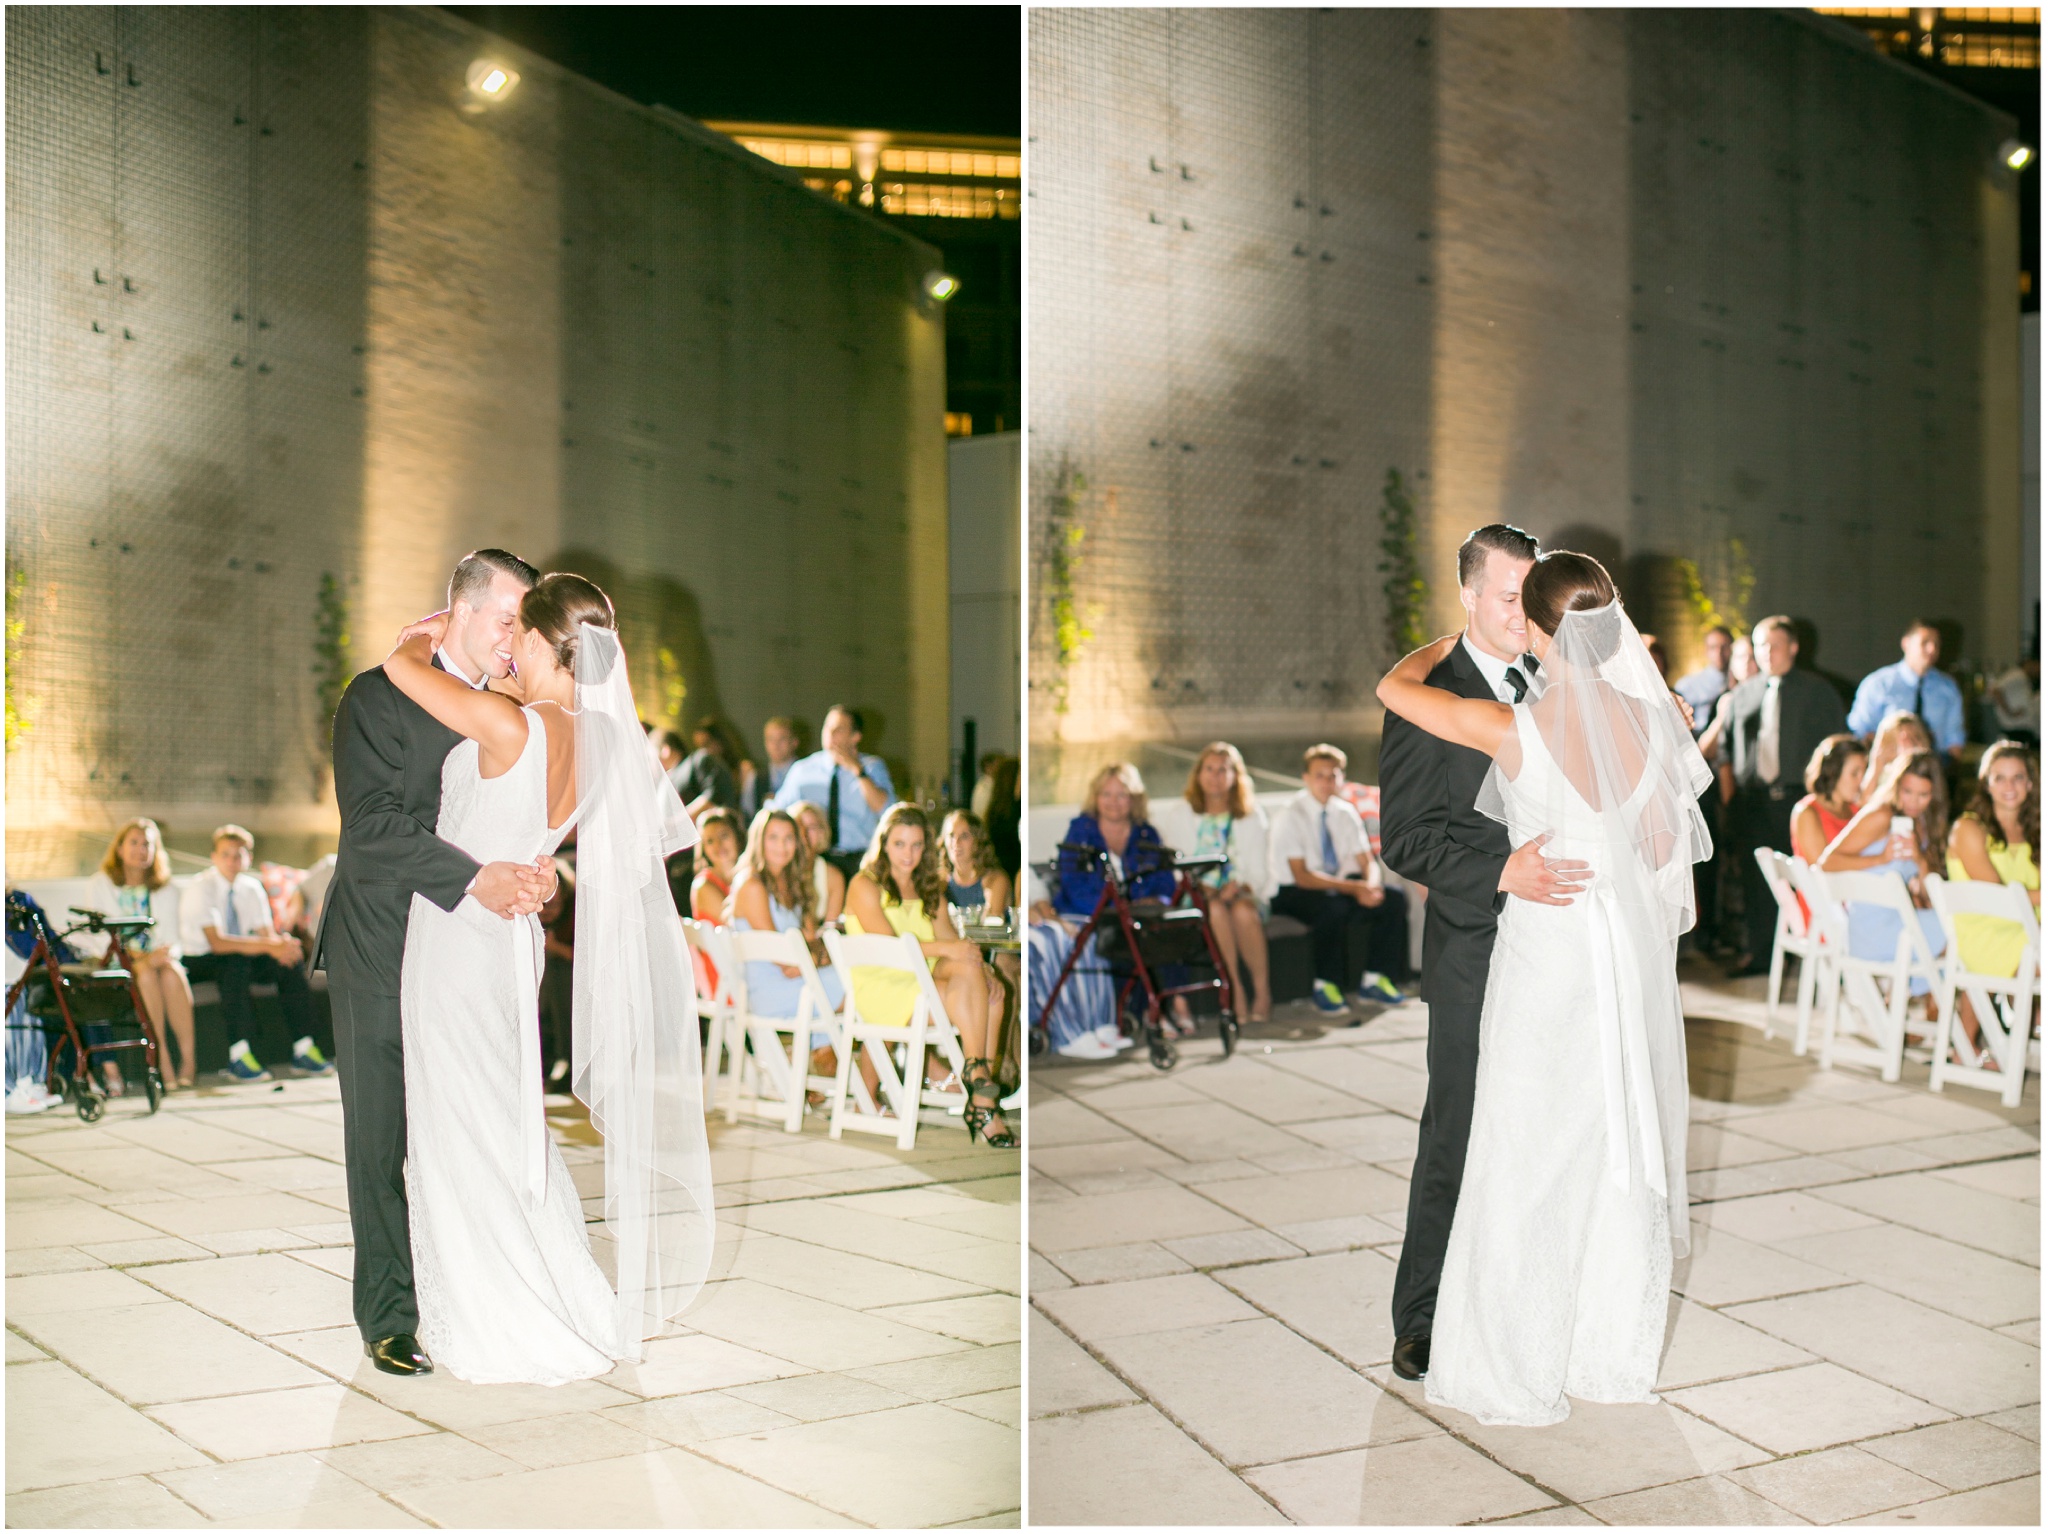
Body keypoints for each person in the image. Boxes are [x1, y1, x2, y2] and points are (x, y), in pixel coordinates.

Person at [1376, 548, 1712, 1426]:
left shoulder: (1512, 727)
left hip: (1543, 962)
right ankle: (1601, 1351)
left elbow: (1396, 692)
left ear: (1540, 625)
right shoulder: (1650, 722)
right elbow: (1666, 853)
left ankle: (1510, 1364)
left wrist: (1437, 641)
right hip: (1616, 971)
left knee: (1519, 1154)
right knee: (1610, 1150)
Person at [377, 569, 712, 1385]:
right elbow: (543, 840)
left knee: (458, 1121)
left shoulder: (508, 724)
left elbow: (397, 669)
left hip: (457, 942)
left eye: (515, 635)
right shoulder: (597, 742)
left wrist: (429, 631)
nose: (508, 650)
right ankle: (541, 1282)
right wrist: (546, 876)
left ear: (538, 638)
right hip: (511, 939)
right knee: (504, 1118)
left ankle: (491, 1301)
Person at [315, 548, 556, 1377]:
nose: (515, 638)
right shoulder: (374, 696)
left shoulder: (503, 703)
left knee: (462, 1132)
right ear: (458, 609)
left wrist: (533, 870)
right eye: (506, 618)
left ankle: (466, 1292)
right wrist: (474, 879)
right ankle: (388, 1314)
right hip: (381, 947)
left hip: (467, 960)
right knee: (381, 1140)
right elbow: (373, 827)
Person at [1378, 522, 1591, 1389]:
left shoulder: (1562, 679)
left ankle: (1528, 1303)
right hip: (1476, 952)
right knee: (1458, 1132)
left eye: (1528, 596)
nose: (1520, 612)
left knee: (1544, 1139)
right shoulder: (1436, 691)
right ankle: (1423, 1315)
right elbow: (1406, 839)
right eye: (1507, 596)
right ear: (1468, 594)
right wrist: (1500, 869)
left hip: (1563, 957)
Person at [845, 803, 1014, 1146]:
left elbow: (952, 942)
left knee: (991, 992)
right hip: (883, 980)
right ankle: (984, 1098)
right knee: (976, 984)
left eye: (917, 844)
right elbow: (891, 948)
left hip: (922, 976)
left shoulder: (929, 886)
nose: (908, 854)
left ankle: (980, 1088)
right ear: (883, 843)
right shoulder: (865, 884)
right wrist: (952, 952)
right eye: (899, 844)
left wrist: (983, 970)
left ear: (926, 847)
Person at [1710, 615, 1848, 975]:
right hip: (1753, 801)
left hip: (1797, 800)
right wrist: (1731, 800)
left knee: (1806, 876)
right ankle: (1760, 953)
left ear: (1794, 648)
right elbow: (1727, 750)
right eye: (1761, 646)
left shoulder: (1818, 692)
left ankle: (1810, 954)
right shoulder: (1743, 694)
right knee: (1758, 880)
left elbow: (1837, 747)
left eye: (1776, 645)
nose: (1768, 653)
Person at [183, 825, 328, 1084]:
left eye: (238, 855)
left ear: (248, 858)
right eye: (225, 854)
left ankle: (304, 1048)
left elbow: (265, 935)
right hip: (199, 959)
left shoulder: (251, 887)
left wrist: (283, 946)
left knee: (288, 961)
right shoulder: (200, 888)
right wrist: (270, 946)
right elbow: (217, 943)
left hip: (237, 957)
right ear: (214, 857)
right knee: (233, 962)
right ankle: (240, 1055)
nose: (232, 861)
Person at [1270, 744, 1406, 1019]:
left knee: (1393, 899)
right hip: (1293, 892)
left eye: (1333, 776)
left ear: (1341, 779)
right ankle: (1325, 985)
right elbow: (1302, 876)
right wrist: (1356, 888)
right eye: (1319, 775)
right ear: (1306, 778)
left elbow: (1368, 860)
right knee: (1332, 908)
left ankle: (1375, 979)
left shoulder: (1345, 812)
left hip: (1337, 888)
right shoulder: (1290, 814)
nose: (1326, 782)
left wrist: (1371, 886)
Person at [1149, 743, 1278, 1026]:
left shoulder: (1252, 815)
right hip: (1198, 895)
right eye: (1209, 769)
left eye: (1223, 770)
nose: (1215, 776)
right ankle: (1235, 989)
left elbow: (1259, 870)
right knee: (1216, 909)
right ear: (1198, 774)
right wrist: (1206, 889)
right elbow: (1177, 867)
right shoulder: (1181, 813)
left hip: (1242, 893)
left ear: (1236, 776)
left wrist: (1239, 886)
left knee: (1243, 911)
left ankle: (1262, 989)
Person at [1819, 749, 1950, 1017]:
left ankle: (1912, 1009)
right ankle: (1930, 1012)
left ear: (1934, 796)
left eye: (1923, 795)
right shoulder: (1881, 815)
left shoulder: (1923, 824)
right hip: (1871, 928)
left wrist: (1921, 860)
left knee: (1956, 931)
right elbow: (1826, 862)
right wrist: (1881, 858)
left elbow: (1929, 891)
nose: (1913, 801)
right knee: (1958, 934)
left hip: (1901, 923)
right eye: (1907, 791)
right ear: (1896, 786)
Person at [728, 808, 845, 1082]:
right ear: (759, 841)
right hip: (769, 991)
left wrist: (816, 951)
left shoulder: (789, 882)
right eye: (773, 838)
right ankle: (823, 1056)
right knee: (857, 987)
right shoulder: (752, 886)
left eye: (789, 838)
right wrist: (821, 952)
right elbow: (790, 965)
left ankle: (813, 1056)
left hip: (797, 981)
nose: (782, 846)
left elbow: (810, 943)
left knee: (856, 983)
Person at [79, 818, 195, 1090]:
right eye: (134, 843)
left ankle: (189, 1062)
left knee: (172, 973)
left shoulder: (166, 888)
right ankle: (163, 1060)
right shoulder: (101, 884)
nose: (141, 850)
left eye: (147, 844)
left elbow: (175, 937)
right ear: (119, 848)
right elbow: (100, 937)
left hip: (159, 961)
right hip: (120, 961)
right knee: (144, 972)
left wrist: (161, 955)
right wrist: (142, 958)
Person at [1943, 742, 2039, 1065]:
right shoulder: (1969, 828)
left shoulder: (2035, 828)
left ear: (2030, 782)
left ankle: (2016, 1037)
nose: (2009, 787)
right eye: (2000, 778)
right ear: (1986, 783)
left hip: (2027, 927)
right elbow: (1998, 899)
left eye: (2018, 778)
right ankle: (2021, 1037)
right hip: (1985, 930)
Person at [771, 705, 896, 880]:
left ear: (855, 736)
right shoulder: (803, 770)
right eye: (827, 727)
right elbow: (777, 812)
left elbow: (887, 810)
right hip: (816, 861)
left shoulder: (872, 767)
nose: (830, 734)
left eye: (838, 729)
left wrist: (857, 771)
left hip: (859, 860)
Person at [1027, 865, 1121, 1058]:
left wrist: (1051, 915)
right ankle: (1066, 1033)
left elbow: (1034, 888)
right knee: (1049, 940)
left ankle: (1099, 1022)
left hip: (1038, 912)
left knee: (1086, 934)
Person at [1847, 618, 1966, 756]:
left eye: (1936, 644)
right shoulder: (1879, 685)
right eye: (1925, 642)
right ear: (1906, 643)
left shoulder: (1948, 688)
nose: (1932, 649)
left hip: (1932, 766)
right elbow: (1859, 731)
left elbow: (1955, 739)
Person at [689, 808, 743, 1000]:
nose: (718, 845)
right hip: (725, 978)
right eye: (709, 841)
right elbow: (740, 925)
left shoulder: (743, 878)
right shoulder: (704, 886)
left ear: (737, 836)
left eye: (724, 835)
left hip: (741, 968)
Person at [1791, 735, 1868, 866]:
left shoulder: (1856, 809)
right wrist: (1879, 860)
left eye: (1863, 773)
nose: (1861, 781)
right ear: (1833, 772)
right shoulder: (1807, 812)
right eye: (1854, 773)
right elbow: (1820, 870)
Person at [537, 864, 575, 1088]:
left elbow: (585, 961)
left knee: (557, 973)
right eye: (545, 905)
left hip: (569, 973)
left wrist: (553, 947)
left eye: (555, 903)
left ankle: (566, 1056)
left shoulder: (577, 913)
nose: (549, 910)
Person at [941, 809, 1013, 916]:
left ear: (978, 841)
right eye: (951, 835)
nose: (956, 842)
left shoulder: (995, 880)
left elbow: (992, 926)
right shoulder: (940, 882)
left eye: (964, 836)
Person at [791, 799, 849, 925]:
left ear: (822, 832)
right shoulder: (780, 868)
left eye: (811, 827)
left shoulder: (833, 877)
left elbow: (831, 928)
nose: (804, 834)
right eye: (799, 827)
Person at [1860, 709, 1934, 802]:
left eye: (1915, 738)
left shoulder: (1929, 772)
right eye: (1903, 739)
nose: (1910, 744)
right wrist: (1876, 769)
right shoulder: (1879, 775)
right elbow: (1863, 802)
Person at [1674, 625, 1733, 740]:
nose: (1719, 652)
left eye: (1724, 647)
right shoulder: (1687, 685)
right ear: (1705, 650)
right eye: (1713, 647)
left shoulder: (1741, 683)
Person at [763, 716, 804, 802]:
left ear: (794, 742)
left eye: (782, 739)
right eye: (771, 739)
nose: (775, 745)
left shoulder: (805, 773)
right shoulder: (757, 777)